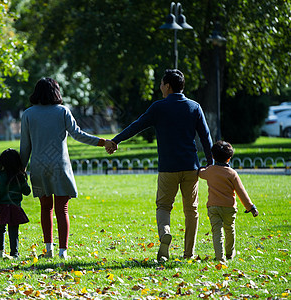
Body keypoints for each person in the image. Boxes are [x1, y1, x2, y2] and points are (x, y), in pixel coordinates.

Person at [107, 69, 213, 261]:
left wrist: (116, 140)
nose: (160, 87)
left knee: (163, 206)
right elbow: (206, 137)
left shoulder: (158, 107)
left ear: (168, 86)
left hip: (168, 168)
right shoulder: (194, 107)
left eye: (161, 84)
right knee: (192, 210)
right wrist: (211, 162)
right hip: (191, 166)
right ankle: (189, 253)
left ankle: (165, 234)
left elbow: (137, 125)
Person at [20, 77, 114, 259]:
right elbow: (78, 135)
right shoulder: (62, 111)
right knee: (62, 208)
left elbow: (25, 146)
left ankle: (48, 250)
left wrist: (21, 169)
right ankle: (63, 251)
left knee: (45, 208)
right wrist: (103, 142)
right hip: (60, 166)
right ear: (56, 92)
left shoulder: (28, 114)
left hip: (38, 167)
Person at [198, 140, 259, 262]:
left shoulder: (210, 170)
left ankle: (220, 257)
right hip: (229, 208)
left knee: (217, 232)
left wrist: (200, 168)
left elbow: (200, 173)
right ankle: (230, 254)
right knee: (229, 230)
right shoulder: (232, 174)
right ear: (229, 159)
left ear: (213, 156)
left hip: (213, 207)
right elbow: (241, 192)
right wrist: (250, 207)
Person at [0, 148, 31, 259]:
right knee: (13, 231)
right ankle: (14, 253)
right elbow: (27, 192)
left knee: (1, 229)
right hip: (15, 207)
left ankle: (0, 252)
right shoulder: (19, 177)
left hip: (1, 207)